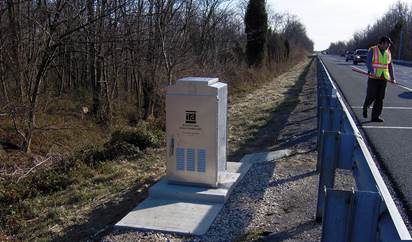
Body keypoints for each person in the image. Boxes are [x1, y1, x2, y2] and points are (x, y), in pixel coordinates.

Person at [362, 36, 396, 122]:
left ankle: (375, 116)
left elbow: (389, 65)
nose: (388, 46)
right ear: (382, 43)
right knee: (371, 96)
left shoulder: (388, 52)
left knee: (380, 98)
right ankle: (365, 107)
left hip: (383, 77)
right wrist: (372, 71)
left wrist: (392, 78)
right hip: (373, 78)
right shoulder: (373, 50)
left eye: (389, 44)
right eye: (387, 44)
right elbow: (368, 62)